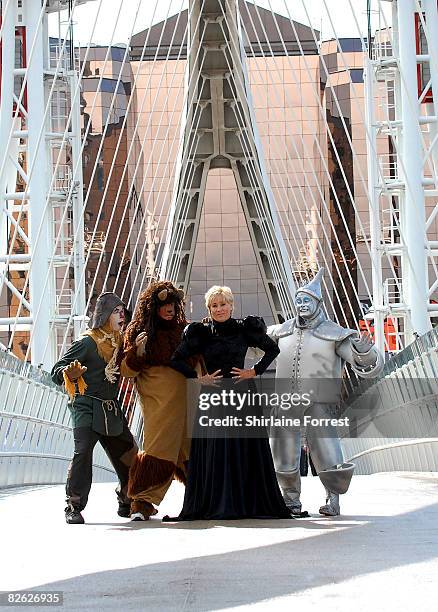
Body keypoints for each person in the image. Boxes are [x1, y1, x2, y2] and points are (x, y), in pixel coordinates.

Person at [166, 285, 291, 520]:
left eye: (223, 304)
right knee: (216, 448)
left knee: (243, 448)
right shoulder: (200, 332)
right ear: (209, 308)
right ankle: (217, 501)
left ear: (231, 305)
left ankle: (244, 501)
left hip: (242, 394)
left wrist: (254, 371)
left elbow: (273, 349)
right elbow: (176, 360)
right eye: (214, 305)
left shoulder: (246, 329)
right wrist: (198, 378)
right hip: (213, 396)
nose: (219, 309)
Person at [268, 268, 383, 516]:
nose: (302, 305)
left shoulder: (334, 334)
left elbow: (363, 363)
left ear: (318, 303)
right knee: (283, 452)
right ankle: (290, 500)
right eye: (298, 300)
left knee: (327, 451)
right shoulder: (281, 331)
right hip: (285, 402)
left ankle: (333, 499)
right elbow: (253, 348)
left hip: (319, 402)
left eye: (307, 300)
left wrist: (365, 351)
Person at [51, 292, 138, 525]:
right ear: (105, 315)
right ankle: (73, 505)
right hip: (85, 406)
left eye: (123, 311)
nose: (122, 315)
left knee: (130, 455)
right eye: (117, 311)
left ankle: (126, 499)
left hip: (110, 408)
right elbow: (56, 370)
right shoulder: (87, 342)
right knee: (83, 454)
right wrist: (67, 373)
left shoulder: (120, 342)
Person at [121, 281, 195, 521]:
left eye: (173, 303)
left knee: (193, 450)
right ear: (153, 307)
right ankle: (141, 502)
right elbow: (126, 370)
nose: (170, 308)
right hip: (159, 405)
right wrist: (139, 352)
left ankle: (203, 498)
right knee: (158, 450)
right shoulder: (139, 332)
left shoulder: (184, 331)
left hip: (188, 403)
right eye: (164, 304)